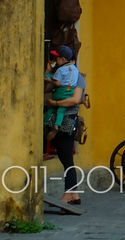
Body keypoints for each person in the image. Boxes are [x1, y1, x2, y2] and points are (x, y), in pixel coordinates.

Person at [44, 53, 85, 205]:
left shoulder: (78, 78)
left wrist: (55, 103)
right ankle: (74, 195)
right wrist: (48, 71)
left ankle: (69, 193)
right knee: (64, 156)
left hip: (68, 119)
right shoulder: (60, 74)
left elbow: (75, 100)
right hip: (58, 117)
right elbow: (47, 87)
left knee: (66, 157)